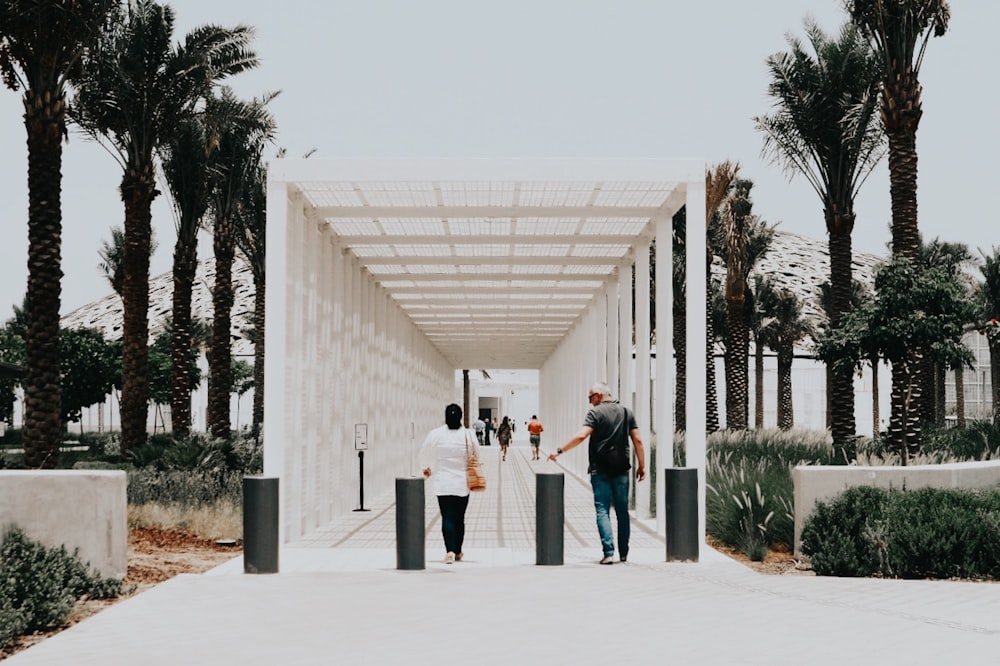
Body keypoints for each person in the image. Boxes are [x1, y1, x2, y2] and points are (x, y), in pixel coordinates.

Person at [548, 382, 645, 565]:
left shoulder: (596, 413)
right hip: (621, 469)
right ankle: (623, 553)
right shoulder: (626, 412)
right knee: (622, 512)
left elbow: (581, 436)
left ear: (599, 395)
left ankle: (608, 553)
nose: (590, 402)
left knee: (602, 509)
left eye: (590, 397)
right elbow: (637, 440)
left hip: (599, 469)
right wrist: (642, 465)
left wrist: (560, 451)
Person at [421, 403, 479, 564]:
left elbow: (424, 450)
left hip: (442, 482)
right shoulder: (469, 435)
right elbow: (477, 454)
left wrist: (426, 467)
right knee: (459, 517)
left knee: (447, 516)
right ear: (460, 416)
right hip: (462, 482)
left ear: (445, 417)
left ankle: (450, 551)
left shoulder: (436, 434)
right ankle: (458, 550)